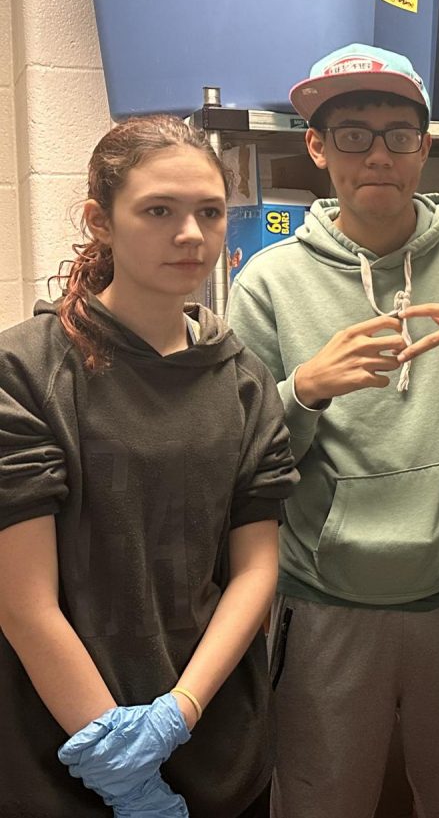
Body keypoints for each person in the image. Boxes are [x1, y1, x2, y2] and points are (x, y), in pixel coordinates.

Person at [225, 43, 439, 818]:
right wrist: (302, 392)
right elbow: (241, 462)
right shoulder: (268, 282)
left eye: (398, 133)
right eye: (352, 134)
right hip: (327, 605)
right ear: (315, 146)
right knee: (318, 801)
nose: (377, 154)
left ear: (425, 145)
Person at [0, 115, 298, 817]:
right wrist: (115, 759)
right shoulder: (27, 370)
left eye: (209, 212)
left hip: (217, 746)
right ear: (100, 221)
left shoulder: (245, 380)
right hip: (63, 754)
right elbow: (23, 601)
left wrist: (179, 710)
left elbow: (256, 568)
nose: (190, 234)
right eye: (159, 210)